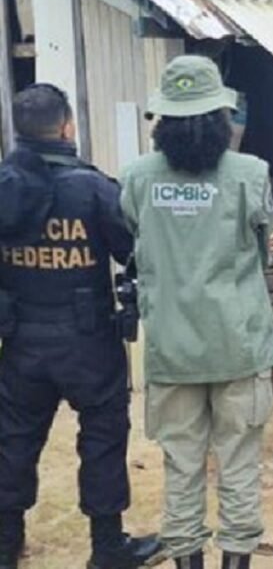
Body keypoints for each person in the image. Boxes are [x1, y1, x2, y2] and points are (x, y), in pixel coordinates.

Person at [120, 56, 273, 569]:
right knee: (239, 466)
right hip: (238, 344)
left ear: (162, 120)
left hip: (172, 348)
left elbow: (135, 240)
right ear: (221, 117)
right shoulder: (250, 174)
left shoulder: (137, 177)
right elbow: (262, 253)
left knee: (181, 468)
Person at [0, 84, 160, 569]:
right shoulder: (92, 188)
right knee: (103, 439)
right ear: (67, 126)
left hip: (20, 339)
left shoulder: (4, 188)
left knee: (13, 440)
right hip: (88, 340)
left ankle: (6, 543)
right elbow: (136, 253)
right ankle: (107, 548)